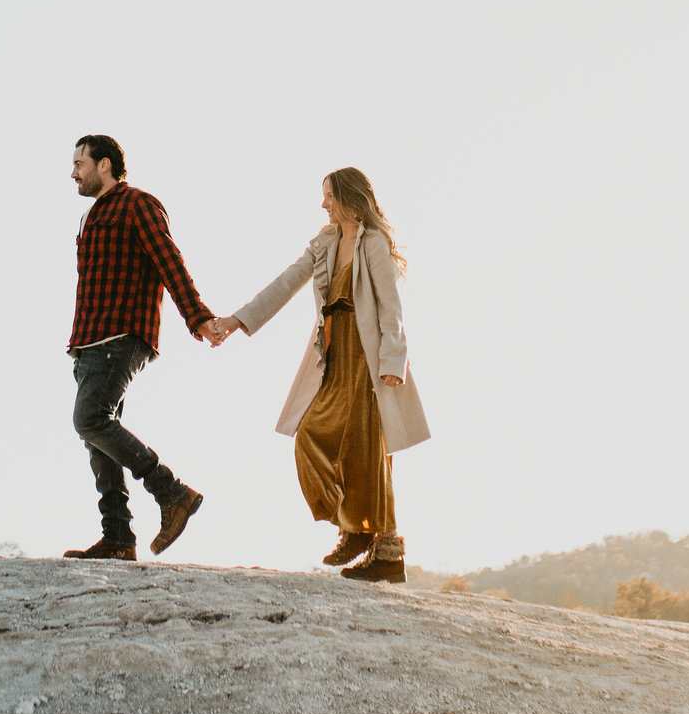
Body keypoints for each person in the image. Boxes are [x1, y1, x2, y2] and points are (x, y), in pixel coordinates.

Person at [205, 166, 429, 583]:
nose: (322, 204)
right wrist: (237, 320)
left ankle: (381, 550)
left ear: (348, 198)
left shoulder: (373, 241)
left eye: (328, 195)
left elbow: (391, 307)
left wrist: (393, 363)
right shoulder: (326, 242)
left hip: (370, 357)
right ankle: (357, 530)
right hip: (334, 354)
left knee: (367, 451)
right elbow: (285, 283)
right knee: (311, 435)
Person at [62, 134, 223, 562]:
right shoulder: (89, 217)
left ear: (106, 165)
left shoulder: (138, 204)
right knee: (100, 437)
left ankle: (172, 493)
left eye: (80, 163)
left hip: (122, 335)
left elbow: (169, 260)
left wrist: (198, 317)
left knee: (90, 418)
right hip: (88, 341)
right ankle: (117, 538)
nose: (73, 172)